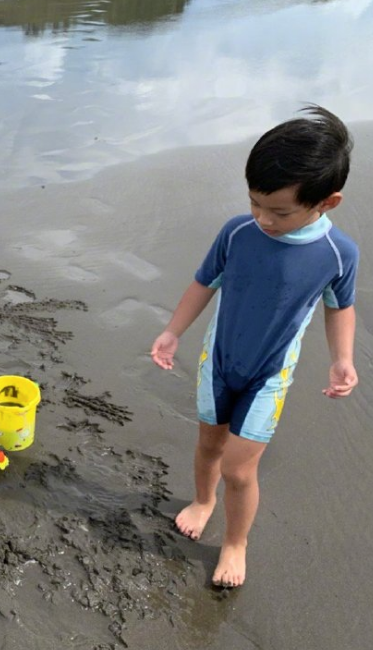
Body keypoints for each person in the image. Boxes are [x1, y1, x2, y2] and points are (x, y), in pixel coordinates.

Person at [150, 106, 359, 588]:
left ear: (327, 202)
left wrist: (342, 359)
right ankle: (204, 501)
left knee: (239, 469)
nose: (263, 218)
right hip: (219, 361)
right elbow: (204, 282)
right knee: (208, 444)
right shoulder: (238, 232)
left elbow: (339, 307)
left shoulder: (336, 254)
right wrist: (173, 330)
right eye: (255, 203)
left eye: (279, 211)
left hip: (269, 374)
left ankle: (235, 542)